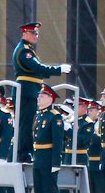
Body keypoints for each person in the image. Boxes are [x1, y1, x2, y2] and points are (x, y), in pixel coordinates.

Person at [9, 22, 70, 164]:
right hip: (27, 91)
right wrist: (58, 69)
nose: (36, 36)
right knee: (26, 124)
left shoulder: (27, 49)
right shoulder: (24, 51)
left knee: (27, 123)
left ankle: (24, 152)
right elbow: (37, 67)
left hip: (30, 90)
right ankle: (24, 153)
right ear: (24, 34)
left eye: (37, 34)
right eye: (33, 33)